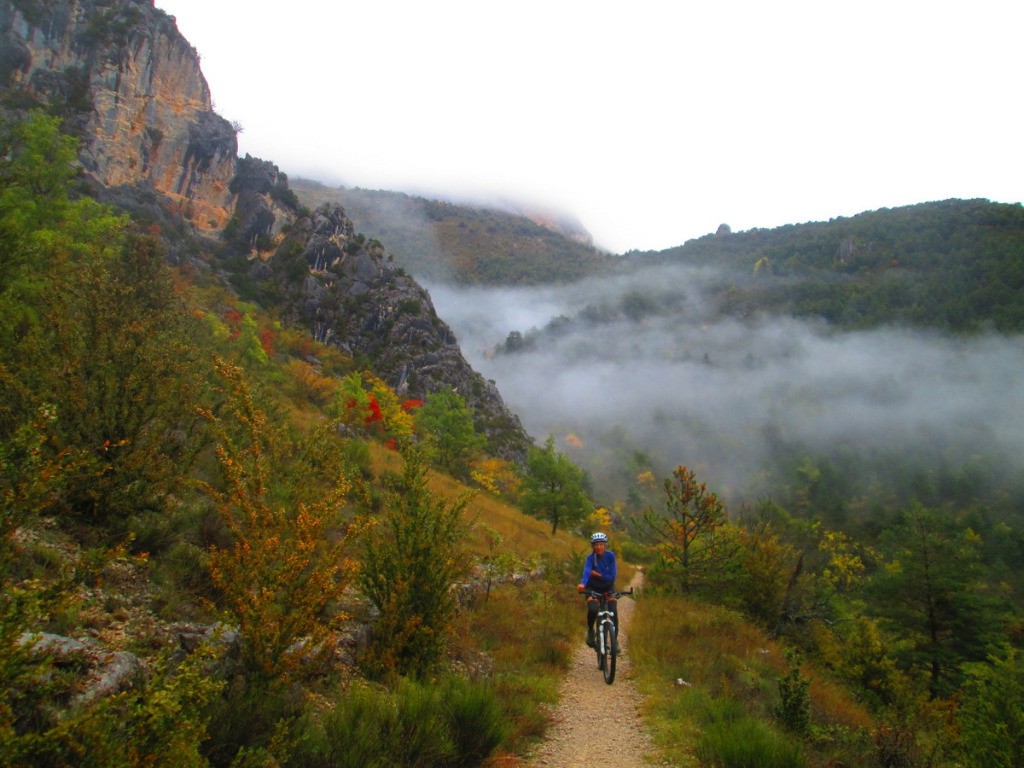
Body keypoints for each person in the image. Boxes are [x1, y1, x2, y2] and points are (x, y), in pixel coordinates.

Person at [577, 531, 619, 650]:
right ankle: (591, 631)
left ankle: (614, 642)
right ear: (593, 546)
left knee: (613, 611)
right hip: (593, 587)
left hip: (608, 586)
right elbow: (587, 572)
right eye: (596, 545)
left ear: (605, 545)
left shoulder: (610, 556)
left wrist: (598, 575)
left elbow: (612, 576)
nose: (598, 547)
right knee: (593, 609)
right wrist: (582, 584)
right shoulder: (590, 558)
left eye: (601, 544)